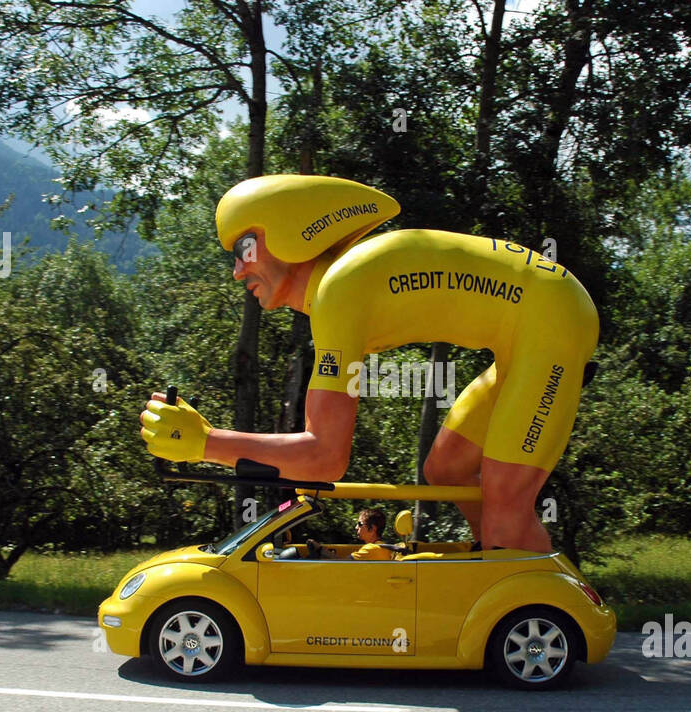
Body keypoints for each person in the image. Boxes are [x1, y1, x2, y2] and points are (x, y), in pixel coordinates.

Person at [140, 175, 598, 553]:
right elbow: (321, 452)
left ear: (286, 232)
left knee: (505, 501)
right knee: (447, 472)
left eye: (243, 250)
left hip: (551, 318)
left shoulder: (339, 291)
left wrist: (204, 442)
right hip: (535, 321)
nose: (237, 271)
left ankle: (540, 601)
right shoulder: (339, 290)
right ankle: (496, 565)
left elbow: (325, 456)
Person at [307, 508, 395, 561]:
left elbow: (342, 564)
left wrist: (320, 550)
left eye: (360, 524)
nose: (356, 527)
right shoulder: (380, 547)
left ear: (372, 529)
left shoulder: (372, 549)